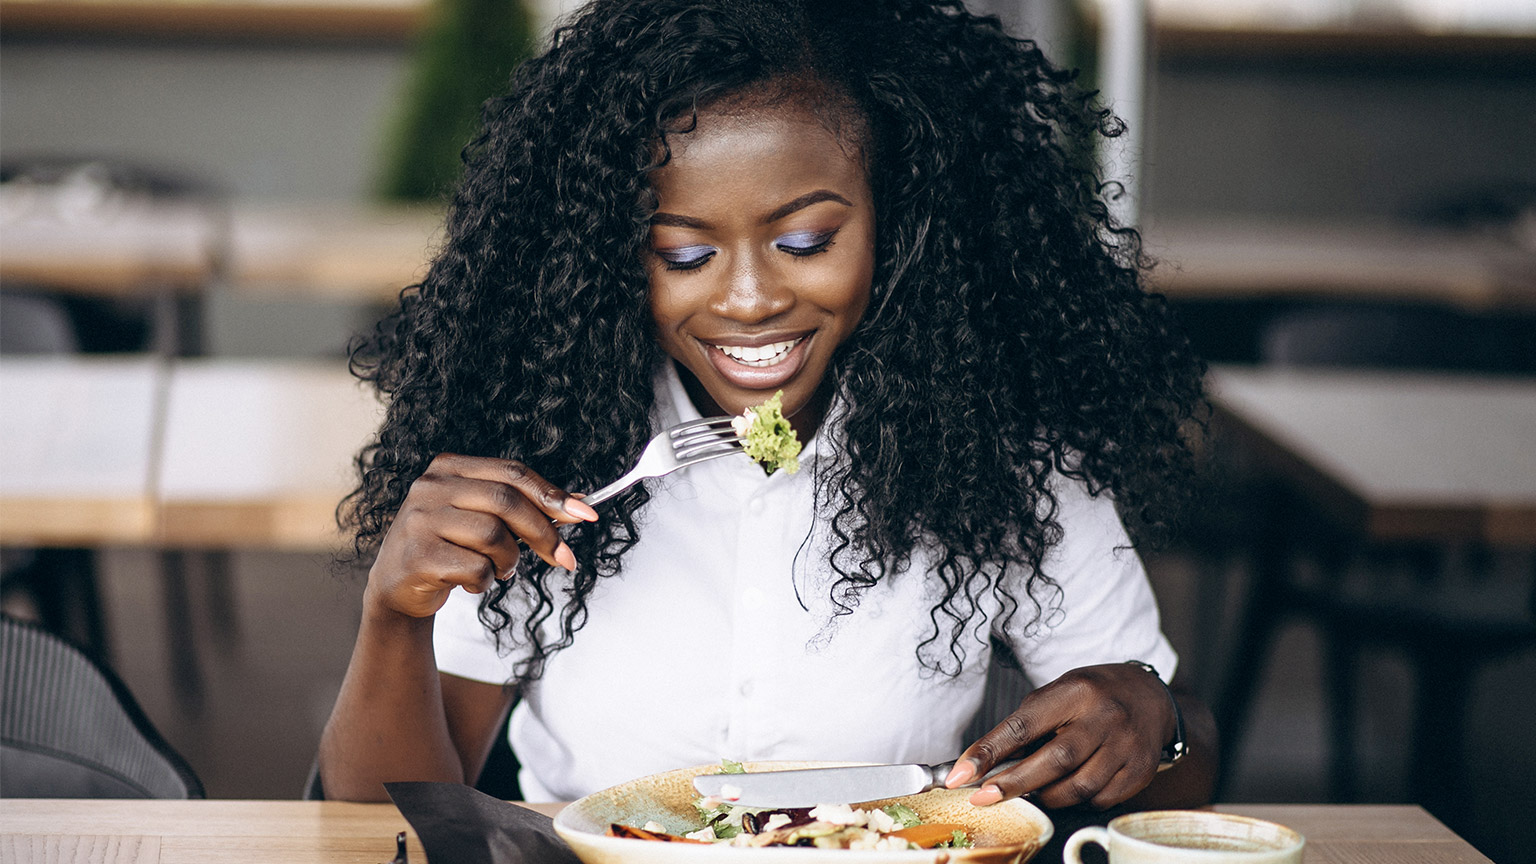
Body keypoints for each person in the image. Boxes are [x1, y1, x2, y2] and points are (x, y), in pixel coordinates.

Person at [319, 0, 1217, 813]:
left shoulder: (1002, 458)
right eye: (682, 255)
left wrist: (1152, 719)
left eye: (803, 241)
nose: (748, 300)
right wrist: (395, 618)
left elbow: (1192, 758)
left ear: (898, 226)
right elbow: (388, 817)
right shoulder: (541, 454)